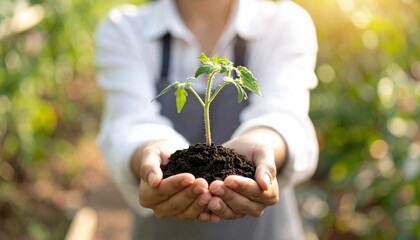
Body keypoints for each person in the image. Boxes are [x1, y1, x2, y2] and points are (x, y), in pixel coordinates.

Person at [94, 0, 319, 239]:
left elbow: (284, 115)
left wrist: (263, 147)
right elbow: (129, 123)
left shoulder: (284, 23)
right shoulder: (125, 30)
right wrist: (151, 155)